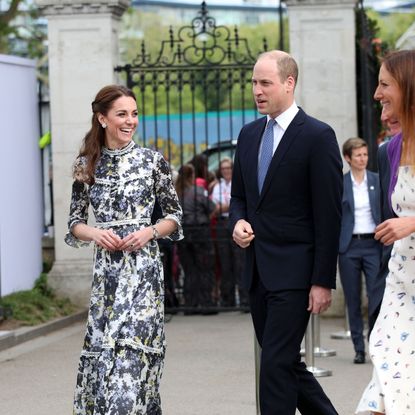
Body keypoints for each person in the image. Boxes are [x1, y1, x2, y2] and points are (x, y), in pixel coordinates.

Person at [229, 50, 342, 414]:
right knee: (286, 362)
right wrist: (237, 221)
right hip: (258, 272)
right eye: (253, 83)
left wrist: (322, 280)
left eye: (265, 83)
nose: (257, 91)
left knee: (274, 366)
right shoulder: (247, 135)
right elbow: (240, 198)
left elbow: (329, 215)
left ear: (289, 83)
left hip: (296, 274)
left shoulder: (318, 136)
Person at [65, 84, 183, 415]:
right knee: (106, 369)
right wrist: (95, 233)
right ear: (102, 118)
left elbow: (174, 216)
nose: (130, 121)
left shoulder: (152, 161)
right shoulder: (86, 164)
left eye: (134, 114)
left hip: (144, 274)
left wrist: (149, 232)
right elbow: (74, 222)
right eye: (122, 114)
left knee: (134, 366)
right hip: (107, 278)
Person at [356, 50, 415, 415]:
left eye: (383, 84)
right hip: (402, 287)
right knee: (384, 389)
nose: (377, 94)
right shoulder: (390, 149)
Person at [338, 137, 381, 364]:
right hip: (349, 247)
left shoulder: (376, 180)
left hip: (373, 245)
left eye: (365, 154)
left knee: (376, 296)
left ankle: (374, 343)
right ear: (348, 158)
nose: (363, 159)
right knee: (352, 298)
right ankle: (358, 348)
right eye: (358, 155)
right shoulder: (341, 183)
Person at [175, 163, 217, 314]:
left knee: (189, 269)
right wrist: (206, 217)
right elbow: (213, 208)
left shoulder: (176, 193)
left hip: (184, 233)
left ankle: (190, 305)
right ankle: (207, 304)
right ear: (192, 175)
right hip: (200, 231)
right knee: (205, 267)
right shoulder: (198, 191)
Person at [212, 157, 248, 308]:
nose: (226, 171)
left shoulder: (237, 183)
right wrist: (227, 206)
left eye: (228, 168)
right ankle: (228, 300)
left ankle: (245, 299)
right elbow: (216, 207)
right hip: (222, 224)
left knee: (240, 261)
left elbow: (233, 205)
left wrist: (226, 206)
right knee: (225, 262)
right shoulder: (217, 186)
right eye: (223, 169)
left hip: (236, 223)